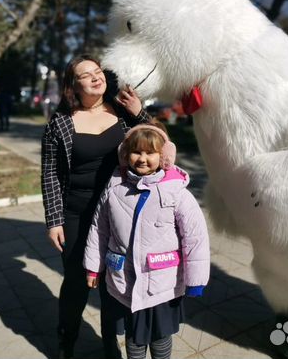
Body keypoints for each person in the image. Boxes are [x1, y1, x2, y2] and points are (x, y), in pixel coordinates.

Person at [41, 54, 150, 359]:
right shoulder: (60, 122)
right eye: (85, 74)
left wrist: (139, 113)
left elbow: (155, 144)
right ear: (73, 86)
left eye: (98, 71)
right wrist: (54, 220)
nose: (95, 77)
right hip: (77, 212)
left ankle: (109, 343)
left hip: (119, 211)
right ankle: (67, 339)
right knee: (77, 279)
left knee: (113, 282)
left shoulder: (123, 112)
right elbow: (50, 172)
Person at [84, 123, 210, 359]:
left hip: (162, 284)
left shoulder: (177, 192)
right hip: (125, 282)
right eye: (136, 152)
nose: (142, 159)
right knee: (133, 338)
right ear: (125, 154)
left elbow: (195, 238)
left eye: (150, 153)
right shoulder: (114, 189)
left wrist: (196, 279)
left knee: (160, 337)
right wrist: (93, 267)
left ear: (163, 156)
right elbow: (99, 229)